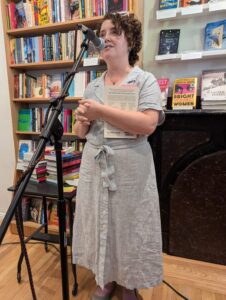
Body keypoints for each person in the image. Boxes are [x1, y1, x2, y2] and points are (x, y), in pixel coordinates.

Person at [72, 13, 165, 300]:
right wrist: (82, 121)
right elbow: (79, 133)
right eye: (102, 32)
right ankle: (105, 278)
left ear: (131, 41)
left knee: (130, 227)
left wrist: (100, 112)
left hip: (131, 168)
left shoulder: (144, 80)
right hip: (95, 165)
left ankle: (128, 283)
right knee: (101, 224)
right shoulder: (93, 86)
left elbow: (148, 124)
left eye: (115, 32)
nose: (106, 36)